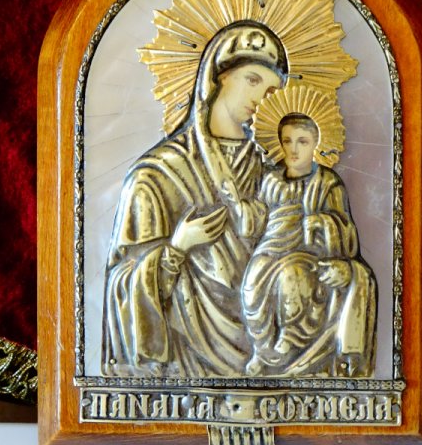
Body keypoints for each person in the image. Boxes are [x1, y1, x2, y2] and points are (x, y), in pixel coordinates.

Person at [101, 20, 287, 377]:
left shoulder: (270, 173)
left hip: (263, 346)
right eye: (252, 80)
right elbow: (120, 285)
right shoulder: (158, 174)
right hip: (185, 351)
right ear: (219, 77)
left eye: (270, 92)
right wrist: (177, 248)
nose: (259, 98)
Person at [241, 113, 377, 377]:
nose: (293, 149)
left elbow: (346, 232)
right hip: (270, 248)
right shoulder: (271, 180)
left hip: (306, 254)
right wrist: (245, 212)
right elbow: (259, 217)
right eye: (287, 141)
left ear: (316, 143)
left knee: (291, 278)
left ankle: (288, 342)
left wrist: (323, 223)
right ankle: (262, 350)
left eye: (302, 141)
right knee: (251, 285)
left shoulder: (326, 183)